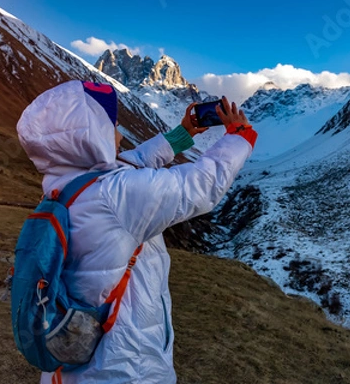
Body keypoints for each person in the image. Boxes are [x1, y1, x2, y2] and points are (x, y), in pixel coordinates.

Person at [16, 80, 257, 384]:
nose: (118, 131)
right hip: (126, 366)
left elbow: (132, 163)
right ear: (92, 133)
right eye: (112, 123)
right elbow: (200, 186)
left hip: (72, 359)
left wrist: (182, 135)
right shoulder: (116, 195)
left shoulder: (65, 185)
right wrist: (239, 137)